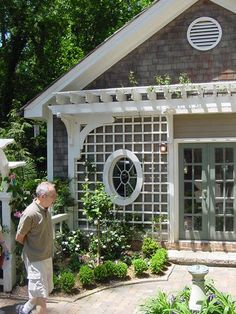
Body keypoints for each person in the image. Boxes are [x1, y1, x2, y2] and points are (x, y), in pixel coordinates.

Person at [15, 181, 57, 314]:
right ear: (43, 196)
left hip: (46, 257)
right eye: (53, 196)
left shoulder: (46, 209)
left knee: (40, 292)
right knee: (41, 298)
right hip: (35, 260)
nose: (55, 198)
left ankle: (25, 310)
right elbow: (19, 237)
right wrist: (34, 249)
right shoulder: (30, 213)